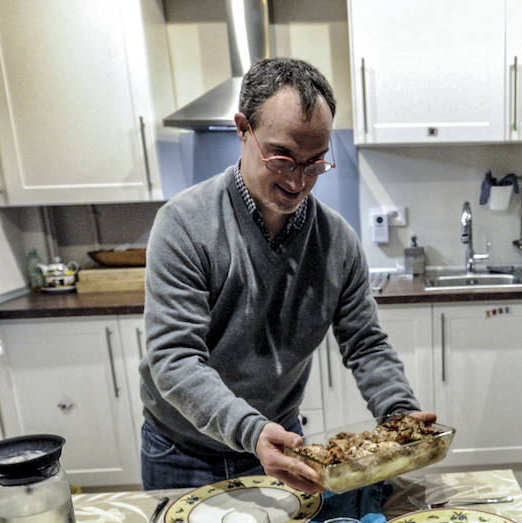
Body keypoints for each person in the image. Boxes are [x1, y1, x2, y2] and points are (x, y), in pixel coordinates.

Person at [138, 58, 432, 493]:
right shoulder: (184, 224)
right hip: (184, 453)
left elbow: (365, 343)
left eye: (314, 164)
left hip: (281, 444)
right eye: (282, 159)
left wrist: (399, 415)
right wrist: (250, 430)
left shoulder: (337, 241)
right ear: (243, 129)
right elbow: (174, 359)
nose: (298, 182)